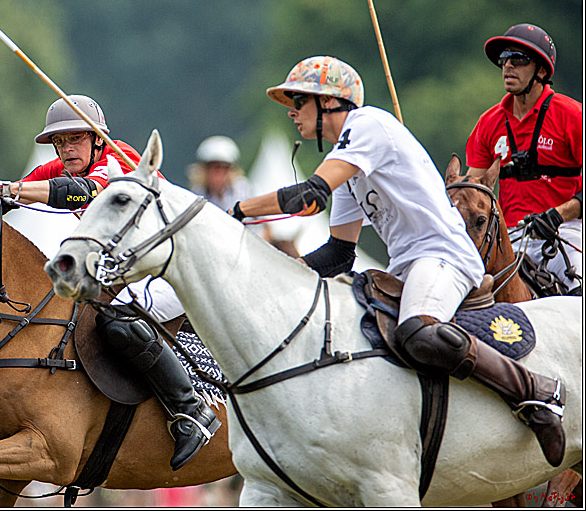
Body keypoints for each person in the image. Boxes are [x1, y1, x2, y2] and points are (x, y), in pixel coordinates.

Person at [228, 56, 566, 467]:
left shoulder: (367, 126)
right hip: (406, 268)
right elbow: (338, 253)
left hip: (444, 255)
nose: (292, 112)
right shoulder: (348, 162)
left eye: (299, 100)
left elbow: (309, 196)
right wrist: (280, 280)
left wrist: (236, 211)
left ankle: (534, 392)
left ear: (332, 103)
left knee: (417, 331)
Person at [0, 94, 220, 471]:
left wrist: (10, 190)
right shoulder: (62, 166)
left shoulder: (118, 160)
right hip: (142, 270)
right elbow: (16, 193)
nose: (67, 148)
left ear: (97, 139)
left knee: (115, 319)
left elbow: (81, 190)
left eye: (75, 139)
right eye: (60, 141)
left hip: (183, 264)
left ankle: (192, 411)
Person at [465, 23, 582, 295]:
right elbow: (473, 193)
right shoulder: (489, 123)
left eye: (518, 59)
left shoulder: (572, 115)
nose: (508, 67)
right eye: (504, 60)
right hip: (509, 238)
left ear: (541, 70)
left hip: (566, 234)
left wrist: (558, 215)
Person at [188, 135, 253, 213]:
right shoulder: (197, 194)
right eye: (213, 168)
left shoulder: (245, 190)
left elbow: (265, 222)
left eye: (223, 168)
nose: (218, 174)